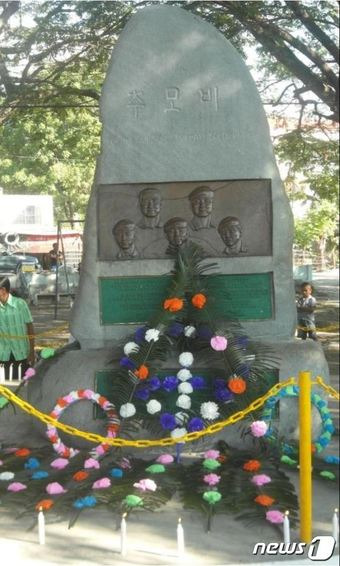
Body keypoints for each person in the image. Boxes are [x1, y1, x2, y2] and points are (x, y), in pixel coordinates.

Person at [0, 277, 35, 380]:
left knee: (20, 387)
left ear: (3, 290)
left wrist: (32, 352)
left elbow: (30, 327)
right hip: (2, 355)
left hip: (21, 354)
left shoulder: (20, 304)